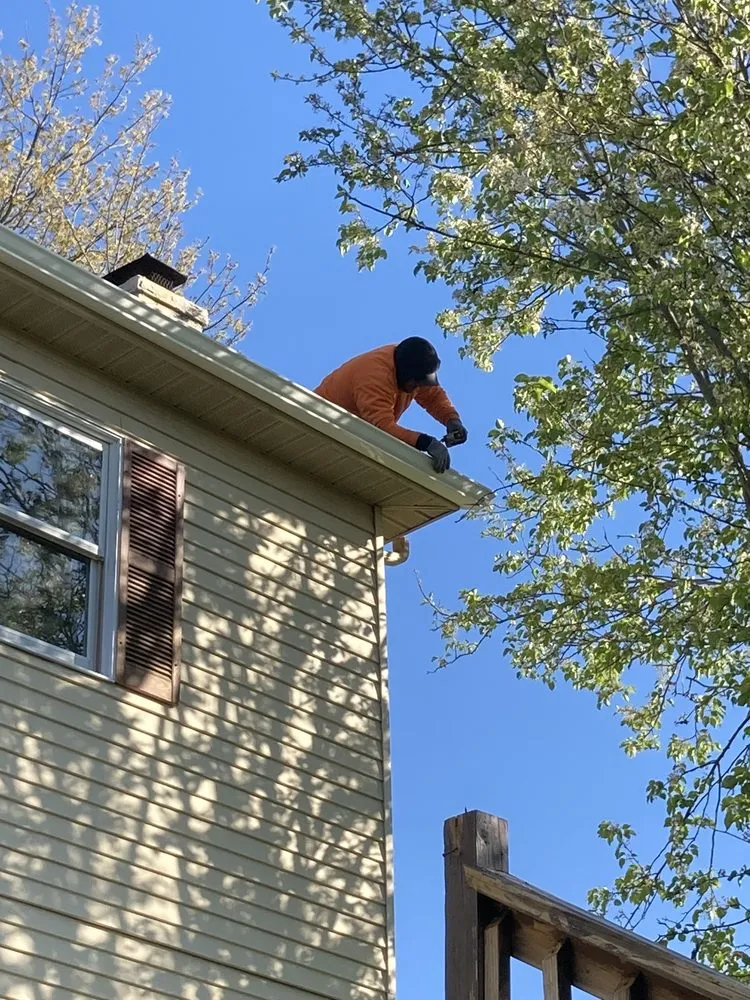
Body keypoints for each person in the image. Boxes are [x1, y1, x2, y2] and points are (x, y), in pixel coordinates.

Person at [315, 337, 468, 473]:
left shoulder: (408, 362)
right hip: (318, 426)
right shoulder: (374, 377)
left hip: (348, 435)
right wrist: (425, 442)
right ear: (407, 376)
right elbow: (381, 428)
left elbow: (433, 396)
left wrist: (452, 419)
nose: (418, 389)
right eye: (417, 384)